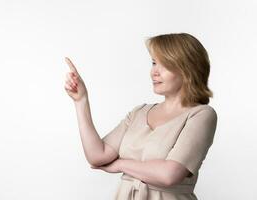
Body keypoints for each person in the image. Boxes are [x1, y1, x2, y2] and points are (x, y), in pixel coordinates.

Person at [64, 32, 218, 200]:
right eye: (153, 63)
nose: (154, 72)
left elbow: (170, 174)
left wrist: (120, 164)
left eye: (164, 64)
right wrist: (81, 101)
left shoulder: (201, 115)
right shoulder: (139, 112)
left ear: (188, 69)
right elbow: (97, 156)